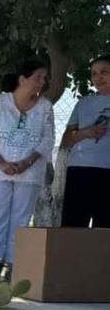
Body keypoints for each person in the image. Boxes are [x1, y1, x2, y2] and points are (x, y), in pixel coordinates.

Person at [0, 60, 54, 279]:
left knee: (21, 219)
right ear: (22, 79)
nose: (42, 82)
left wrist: (26, 163)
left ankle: (14, 266)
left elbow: (47, 140)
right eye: (38, 77)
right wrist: (1, 162)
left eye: (45, 78)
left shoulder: (45, 107)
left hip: (30, 174)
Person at [59, 54, 110, 228]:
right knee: (73, 229)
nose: (98, 77)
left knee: (104, 232)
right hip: (79, 171)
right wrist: (86, 132)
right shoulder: (84, 103)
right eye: (94, 73)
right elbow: (66, 140)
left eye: (104, 72)